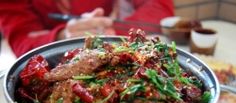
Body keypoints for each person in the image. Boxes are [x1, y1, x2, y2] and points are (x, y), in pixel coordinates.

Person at [0, 0, 174, 57]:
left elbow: (158, 5)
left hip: (111, 48)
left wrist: (110, 30)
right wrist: (62, 35)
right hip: (53, 59)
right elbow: (21, 38)